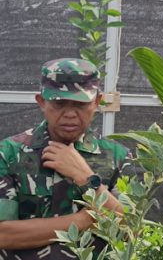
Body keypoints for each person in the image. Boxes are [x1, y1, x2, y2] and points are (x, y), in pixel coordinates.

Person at [0, 58, 130, 259]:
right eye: (59, 103)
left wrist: (87, 178)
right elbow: (3, 234)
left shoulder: (118, 157)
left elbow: (133, 230)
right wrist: (83, 220)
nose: (70, 114)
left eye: (80, 103)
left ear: (97, 102)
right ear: (41, 102)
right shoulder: (9, 153)